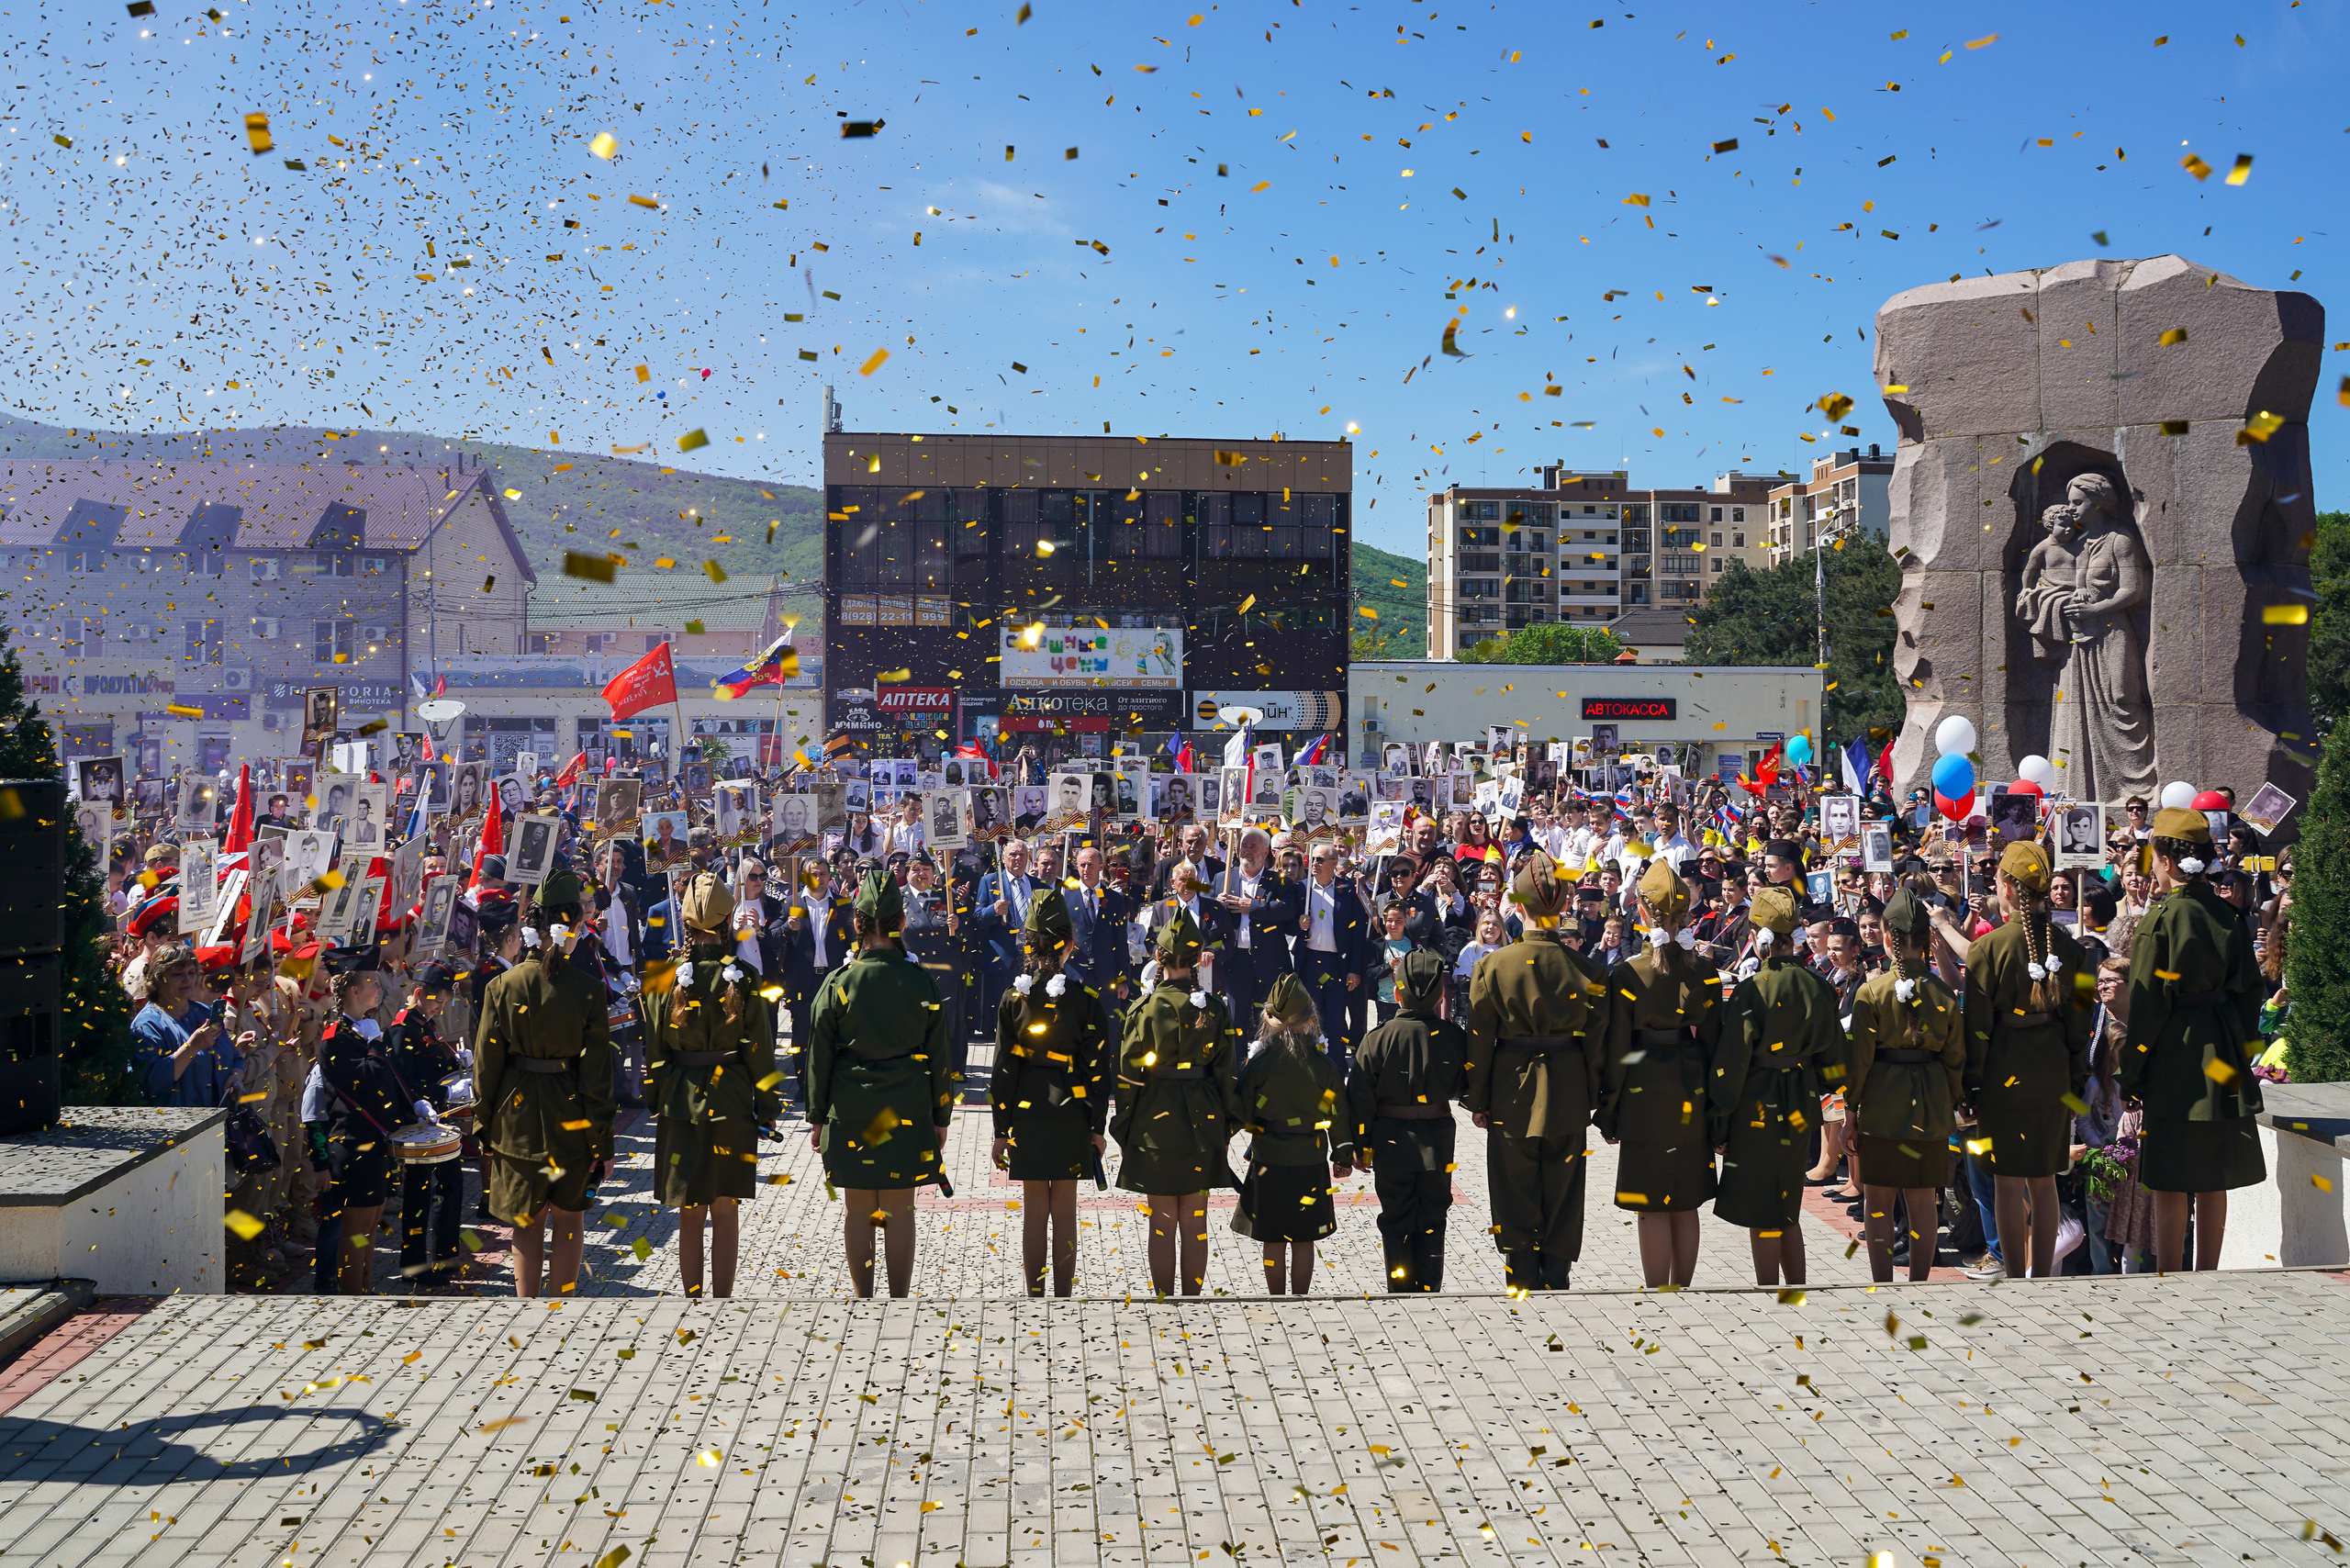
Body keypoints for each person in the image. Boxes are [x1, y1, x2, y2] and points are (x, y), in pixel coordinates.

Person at [2120, 806, 2267, 1273]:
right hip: (2221, 1051)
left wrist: (2133, 1071)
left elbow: (2147, 1005)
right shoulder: (2226, 913)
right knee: (2211, 1175)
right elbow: (2251, 993)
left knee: (2168, 1174)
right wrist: (2240, 1053)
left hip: (2176, 1055)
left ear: (2164, 858)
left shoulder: (2163, 919)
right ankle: (2209, 1273)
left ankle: (2170, 1276)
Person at [806, 869, 955, 1298]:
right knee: (899, 1209)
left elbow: (818, 1055)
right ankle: (899, 1301)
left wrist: (816, 1116)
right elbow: (941, 1056)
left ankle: (863, 1299)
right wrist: (940, 1114)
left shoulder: (839, 981)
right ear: (901, 922)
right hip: (906, 1105)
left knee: (858, 1211)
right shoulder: (921, 979)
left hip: (851, 1105)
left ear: (857, 925)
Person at [1462, 850, 1601, 1293]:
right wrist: (1592, 1098)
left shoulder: (1492, 965)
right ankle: (1557, 1273)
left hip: (1510, 1086)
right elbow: (1599, 1047)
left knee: (1511, 1181)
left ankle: (1521, 1271)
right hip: (1567, 1085)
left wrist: (1478, 1098)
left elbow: (1480, 1040)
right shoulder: (1588, 969)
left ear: (1517, 907)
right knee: (1563, 1183)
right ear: (1563, 907)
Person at [474, 868, 616, 1298]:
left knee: (525, 1220)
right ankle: (562, 1309)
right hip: (572, 1117)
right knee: (569, 1217)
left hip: (515, 1118)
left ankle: (526, 1311)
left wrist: (484, 1127)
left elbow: (486, 1066)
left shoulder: (503, 984)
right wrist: (603, 1140)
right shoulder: (589, 990)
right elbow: (598, 1076)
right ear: (574, 925)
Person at [642, 871, 782, 1299]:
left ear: (686, 924)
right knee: (725, 1207)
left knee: (689, 1208)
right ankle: (722, 1298)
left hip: (680, 1101)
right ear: (726, 924)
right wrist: (768, 1107)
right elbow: (760, 1050)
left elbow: (653, 1051)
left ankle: (692, 1297)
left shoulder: (661, 977)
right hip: (732, 1099)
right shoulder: (744, 975)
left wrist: (657, 1100)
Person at [1962, 842, 2091, 1281]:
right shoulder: (2074, 950)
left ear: (2010, 891)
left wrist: (1971, 1083)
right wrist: (2076, 1075)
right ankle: (2041, 1272)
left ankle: (2016, 1274)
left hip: (2004, 1073)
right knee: (2045, 1178)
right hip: (2053, 1071)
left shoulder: (1987, 948)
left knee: (2006, 1180)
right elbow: (2082, 1023)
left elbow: (1977, 1028)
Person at [1595, 862, 1723, 1289]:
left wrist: (1608, 1109)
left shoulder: (1630, 971)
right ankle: (1683, 1289)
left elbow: (1617, 1049)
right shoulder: (1703, 969)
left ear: (1643, 913)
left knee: (1650, 1202)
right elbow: (1714, 1043)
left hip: (1643, 1090)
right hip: (1692, 1084)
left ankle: (1658, 1292)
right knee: (1685, 1202)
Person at [1710, 884, 1841, 1288]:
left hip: (1757, 1100)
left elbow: (1732, 1063)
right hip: (1801, 1095)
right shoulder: (1817, 984)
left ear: (1758, 937)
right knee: (1787, 1198)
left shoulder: (1754, 986)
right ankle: (1796, 1283)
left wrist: (1720, 1122)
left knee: (1761, 1205)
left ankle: (1768, 1288)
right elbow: (1835, 1059)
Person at [989, 886, 1113, 1296]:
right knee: (1065, 1209)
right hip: (1071, 1109)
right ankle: (1062, 1294)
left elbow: (1003, 1069)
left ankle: (1035, 1292)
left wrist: (1001, 1129)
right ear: (1070, 945)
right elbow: (1098, 1070)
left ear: (1027, 944)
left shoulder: (1013, 998)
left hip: (1026, 1110)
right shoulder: (1084, 999)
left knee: (1034, 1212)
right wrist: (1099, 1125)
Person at [1113, 911, 1239, 1297]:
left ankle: (1165, 1298)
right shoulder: (1214, 1008)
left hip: (1155, 1119)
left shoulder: (1143, 1008)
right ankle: (1193, 1299)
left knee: (1162, 1221)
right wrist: (1226, 1123)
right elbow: (1227, 1074)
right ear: (1198, 956)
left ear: (1158, 956)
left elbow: (1128, 1075)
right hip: (1202, 1120)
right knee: (1195, 1221)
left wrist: (1126, 1124)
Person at [1843, 890, 1965, 1283]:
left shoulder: (1871, 991)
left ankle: (1882, 1279)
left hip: (1882, 1101)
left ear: (1886, 936)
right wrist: (1952, 1100)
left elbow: (1859, 1060)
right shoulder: (1944, 993)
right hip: (1929, 1100)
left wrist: (1850, 1113)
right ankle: (1919, 1281)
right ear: (1926, 938)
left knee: (1878, 1199)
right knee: (1922, 1200)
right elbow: (1955, 1058)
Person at [1345, 946, 1465, 1292]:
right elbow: (1465, 1086)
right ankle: (1429, 1286)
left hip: (1389, 1138)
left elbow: (1360, 1100)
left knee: (1395, 1217)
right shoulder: (1454, 1037)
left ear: (1397, 993)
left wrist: (1360, 1146)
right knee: (1433, 1215)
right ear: (1440, 995)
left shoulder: (1376, 1038)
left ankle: (1400, 1289)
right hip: (1438, 1137)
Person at [1233, 972, 1351, 1295]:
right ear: (1310, 1019)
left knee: (1272, 1237)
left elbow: (1243, 1113)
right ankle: (1301, 1299)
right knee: (1304, 1237)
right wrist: (1342, 1156)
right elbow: (1336, 1113)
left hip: (1268, 1158)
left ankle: (1277, 1298)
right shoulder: (1323, 1065)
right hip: (1310, 1158)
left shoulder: (1260, 1064)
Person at [316, 966, 417, 1295]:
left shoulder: (363, 1030)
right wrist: (376, 1041)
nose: (378, 988)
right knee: (356, 1229)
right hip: (352, 1141)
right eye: (370, 983)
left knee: (371, 1227)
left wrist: (414, 1106)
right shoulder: (337, 1037)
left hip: (374, 1141)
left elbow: (387, 1081)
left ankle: (364, 1289)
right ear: (353, 992)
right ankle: (350, 1299)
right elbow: (368, 1079)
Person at [389, 961, 468, 1286]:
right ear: (418, 994)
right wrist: (428, 1096)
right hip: (417, 1123)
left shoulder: (425, 1023)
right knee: (419, 1193)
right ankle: (414, 1265)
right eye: (437, 1000)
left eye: (445, 1001)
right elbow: (401, 1077)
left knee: (451, 1187)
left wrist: (455, 1062)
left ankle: (445, 1260)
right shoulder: (402, 1027)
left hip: (437, 1121)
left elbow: (434, 1060)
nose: (441, 1006)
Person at [129, 946, 243, 1106]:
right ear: (158, 978)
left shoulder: (204, 1012)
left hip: (217, 1123)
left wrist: (235, 1077)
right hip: (178, 1125)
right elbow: (152, 1083)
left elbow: (234, 1058)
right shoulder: (147, 1024)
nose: (187, 980)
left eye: (191, 973)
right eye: (177, 974)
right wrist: (192, 1047)